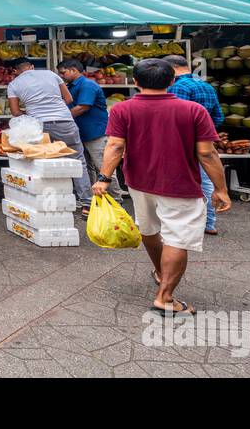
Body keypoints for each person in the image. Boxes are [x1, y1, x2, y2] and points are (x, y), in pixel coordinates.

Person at [93, 59, 231, 317]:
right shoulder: (193, 111)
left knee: (149, 229)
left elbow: (115, 146)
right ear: (172, 81)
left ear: (135, 82)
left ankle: (160, 272)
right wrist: (221, 189)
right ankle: (165, 297)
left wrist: (104, 178)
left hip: (139, 182)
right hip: (180, 184)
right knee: (177, 238)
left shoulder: (122, 110)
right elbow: (207, 154)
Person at [7, 56, 88, 207]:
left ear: (16, 70)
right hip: (65, 122)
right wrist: (54, 107)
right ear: (31, 66)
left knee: (43, 162)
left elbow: (15, 111)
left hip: (40, 127)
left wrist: (31, 111)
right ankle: (86, 201)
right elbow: (69, 99)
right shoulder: (51, 74)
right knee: (78, 161)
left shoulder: (14, 84)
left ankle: (51, 201)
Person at [165, 55, 225, 236]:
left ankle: (184, 222)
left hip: (182, 142)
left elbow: (176, 118)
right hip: (204, 140)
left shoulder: (178, 87)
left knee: (180, 180)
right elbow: (219, 117)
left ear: (172, 68)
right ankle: (209, 223)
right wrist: (206, 133)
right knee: (206, 181)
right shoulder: (207, 86)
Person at [58, 59, 113, 214]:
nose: (61, 76)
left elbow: (83, 107)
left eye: (63, 72)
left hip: (95, 133)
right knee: (86, 169)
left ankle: (116, 202)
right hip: (81, 133)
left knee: (104, 169)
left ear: (74, 70)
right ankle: (92, 203)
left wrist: (62, 118)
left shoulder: (88, 85)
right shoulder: (71, 86)